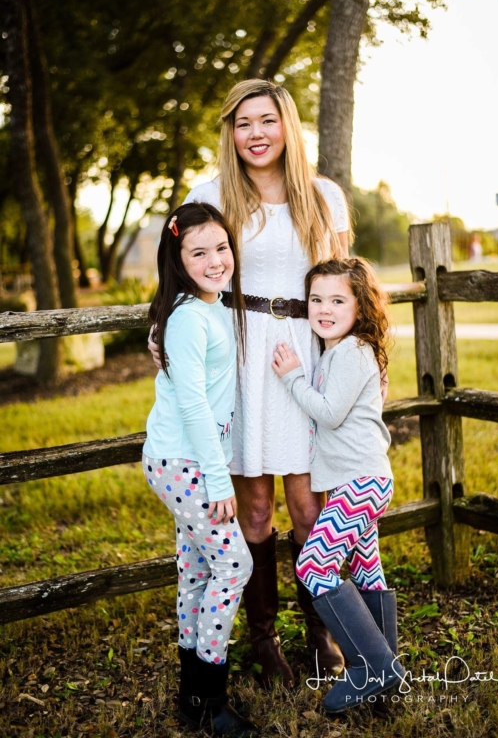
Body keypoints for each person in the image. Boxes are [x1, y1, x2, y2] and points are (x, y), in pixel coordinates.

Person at [149, 79, 348, 686]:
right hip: (236, 353)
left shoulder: (322, 195)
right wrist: (158, 326)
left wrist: (357, 358)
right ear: (229, 133)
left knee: (311, 508)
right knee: (255, 505)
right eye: (242, 123)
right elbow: (178, 272)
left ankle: (322, 631)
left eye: (266, 121)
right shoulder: (210, 194)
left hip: (305, 355)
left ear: (287, 125)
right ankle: (263, 640)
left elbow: (342, 283)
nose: (255, 134)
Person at [143, 202, 257, 736]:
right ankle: (212, 699)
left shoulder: (201, 307)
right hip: (184, 461)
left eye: (222, 247)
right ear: (177, 257)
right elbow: (192, 406)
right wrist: (217, 478)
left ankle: (191, 698)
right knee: (234, 565)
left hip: (180, 459)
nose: (215, 260)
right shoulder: (189, 316)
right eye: (199, 252)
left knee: (197, 570)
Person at [272, 257, 405, 713]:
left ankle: (373, 667)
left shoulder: (351, 351)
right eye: (315, 299)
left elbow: (328, 412)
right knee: (368, 573)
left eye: (337, 300)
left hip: (359, 484)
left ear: (361, 305)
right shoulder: (341, 350)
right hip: (362, 482)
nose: (323, 309)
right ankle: (385, 694)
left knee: (314, 567)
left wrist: (290, 377)